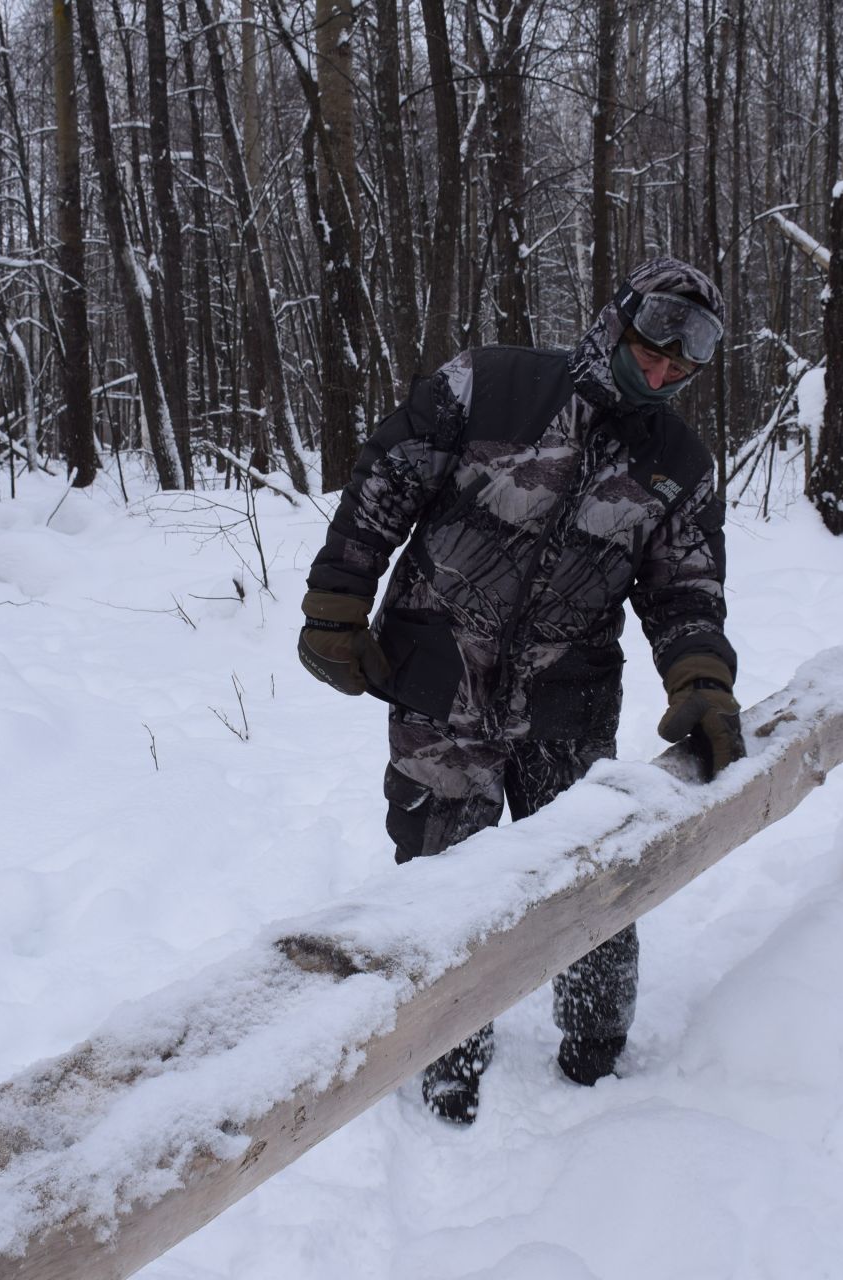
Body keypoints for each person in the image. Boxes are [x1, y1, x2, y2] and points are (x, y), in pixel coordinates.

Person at [297, 257, 744, 1125]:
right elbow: (384, 484)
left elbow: (686, 588)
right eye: (652, 346)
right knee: (442, 887)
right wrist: (337, 604)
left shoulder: (678, 462)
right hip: (439, 679)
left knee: (595, 882)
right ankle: (448, 1064)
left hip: (568, 698)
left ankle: (596, 1056)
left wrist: (701, 679)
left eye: (683, 365)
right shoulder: (491, 384)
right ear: (618, 318)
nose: (660, 373)